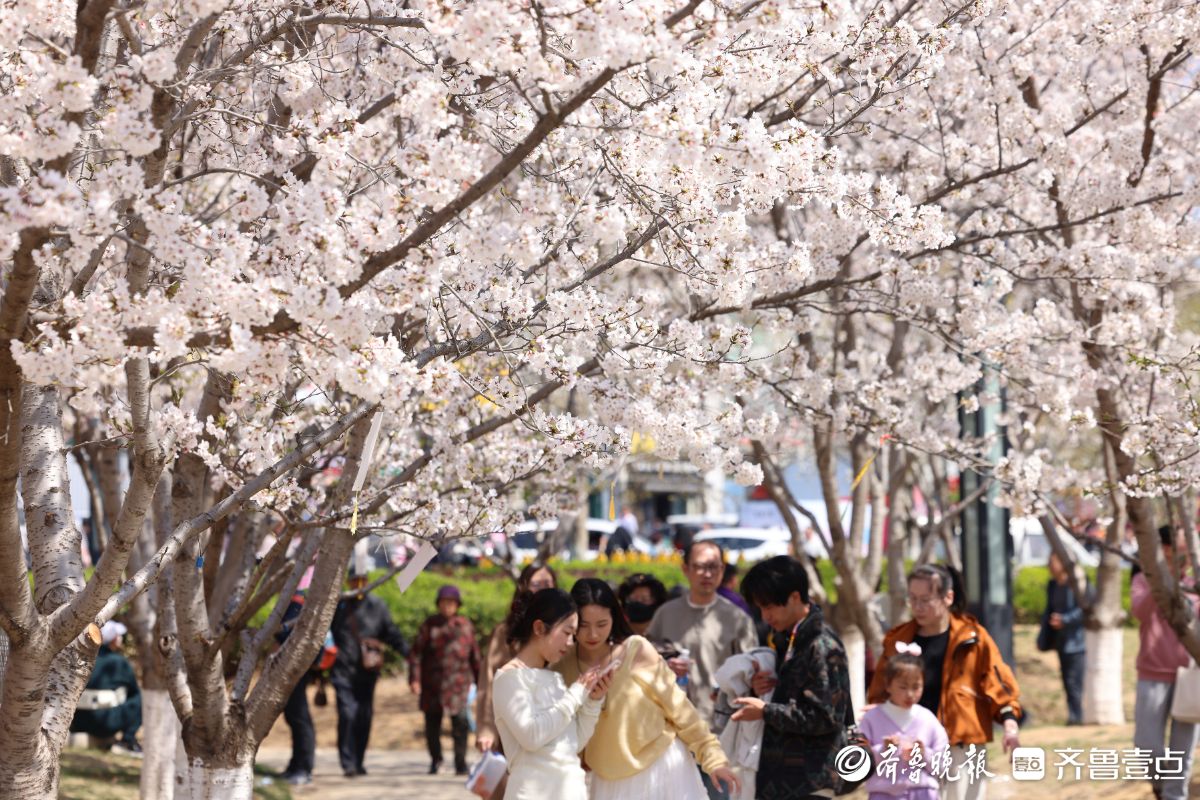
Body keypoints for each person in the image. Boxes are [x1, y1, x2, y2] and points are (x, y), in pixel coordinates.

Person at [555, 578, 741, 800]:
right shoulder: (561, 666)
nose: (593, 634)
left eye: (602, 624)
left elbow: (680, 710)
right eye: (584, 625)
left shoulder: (635, 649)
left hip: (662, 769)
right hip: (606, 780)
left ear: (615, 617)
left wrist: (713, 759)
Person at [867, 564, 1022, 800]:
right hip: (910, 748)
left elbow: (998, 683)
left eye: (926, 599)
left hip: (962, 745)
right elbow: (880, 692)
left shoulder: (973, 637)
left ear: (948, 597)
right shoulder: (897, 640)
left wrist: (1009, 723)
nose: (917, 607)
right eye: (913, 599)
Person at [731, 555, 851, 800]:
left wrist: (766, 710)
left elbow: (825, 717)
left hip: (810, 784)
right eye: (760, 608)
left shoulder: (821, 645)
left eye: (769, 606)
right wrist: (763, 688)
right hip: (783, 782)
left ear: (795, 597)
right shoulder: (790, 639)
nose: (765, 616)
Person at [491, 587, 613, 799]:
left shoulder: (554, 678)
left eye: (573, 635)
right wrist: (577, 693)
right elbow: (532, 735)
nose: (570, 643)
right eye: (566, 632)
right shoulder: (508, 678)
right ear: (539, 628)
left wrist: (593, 701)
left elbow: (571, 744)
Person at [647, 540, 758, 726]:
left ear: (722, 570)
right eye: (699, 566)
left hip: (721, 724)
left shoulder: (737, 618)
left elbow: (752, 671)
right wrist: (665, 664)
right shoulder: (665, 614)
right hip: (669, 723)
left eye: (713, 567)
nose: (707, 574)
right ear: (685, 569)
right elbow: (641, 662)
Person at [1131, 525, 1200, 800]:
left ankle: (1174, 795)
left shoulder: (1195, 585)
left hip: (1189, 675)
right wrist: (1163, 580)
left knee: (1182, 750)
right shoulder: (1143, 580)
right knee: (1147, 746)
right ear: (1166, 549)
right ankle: (1160, 787)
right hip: (1153, 671)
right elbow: (1140, 611)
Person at [330, 565, 409, 778]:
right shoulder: (338, 606)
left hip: (368, 672)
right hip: (342, 670)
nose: (357, 585)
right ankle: (347, 763)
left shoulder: (378, 606)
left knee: (364, 717)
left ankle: (358, 760)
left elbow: (391, 633)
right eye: (353, 581)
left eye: (361, 580)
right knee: (347, 714)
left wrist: (408, 653)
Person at [859, 645, 950, 800]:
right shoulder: (871, 719)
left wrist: (924, 753)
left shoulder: (927, 719)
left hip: (923, 793)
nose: (910, 694)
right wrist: (883, 750)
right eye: (902, 687)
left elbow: (943, 766)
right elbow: (858, 763)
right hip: (883, 795)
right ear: (887, 685)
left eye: (916, 687)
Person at [410, 584, 481, 776]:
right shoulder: (429, 626)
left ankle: (460, 762)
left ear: (457, 605)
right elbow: (415, 655)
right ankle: (436, 760)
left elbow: (475, 657)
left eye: (451, 603)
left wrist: (480, 682)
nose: (447, 606)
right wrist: (414, 680)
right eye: (444, 602)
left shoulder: (465, 626)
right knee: (432, 726)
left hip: (458, 685)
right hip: (432, 685)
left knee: (461, 724)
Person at [71, 621, 142, 756]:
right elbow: (133, 690)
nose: (120, 638)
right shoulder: (119, 662)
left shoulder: (81, 660)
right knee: (138, 698)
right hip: (106, 723)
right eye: (118, 635)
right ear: (114, 639)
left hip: (77, 721)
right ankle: (128, 740)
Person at [1036, 552, 1088, 725]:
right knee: (1066, 679)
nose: (1050, 566)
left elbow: (1085, 608)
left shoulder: (1076, 583)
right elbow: (1048, 610)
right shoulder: (1053, 585)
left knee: (1074, 680)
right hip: (1060, 640)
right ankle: (1073, 714)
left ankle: (1077, 715)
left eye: (1053, 562)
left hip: (1076, 640)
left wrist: (1065, 620)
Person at [617, 572, 669, 636]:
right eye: (633, 599)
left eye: (645, 599)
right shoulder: (618, 635)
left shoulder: (667, 633)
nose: (638, 603)